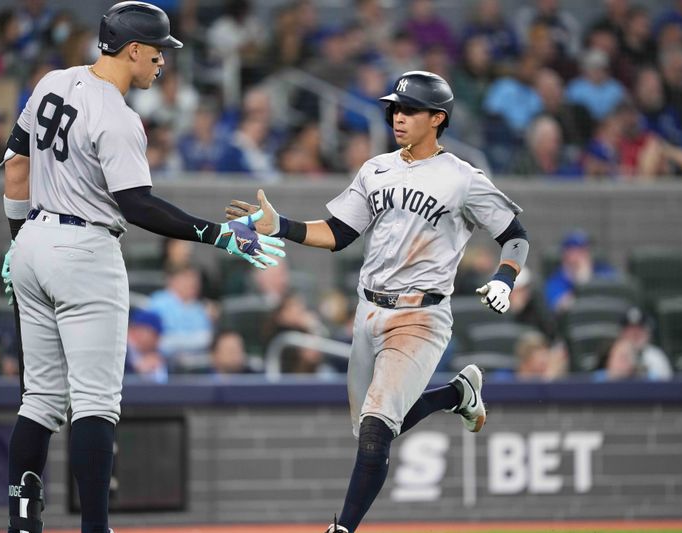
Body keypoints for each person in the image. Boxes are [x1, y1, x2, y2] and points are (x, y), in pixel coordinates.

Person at [0, 3, 285, 533]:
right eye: (158, 52)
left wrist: (19, 240)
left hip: (34, 239)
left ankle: (22, 523)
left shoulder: (52, 81)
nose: (162, 62)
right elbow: (137, 204)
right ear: (133, 49)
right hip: (85, 250)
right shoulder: (119, 117)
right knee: (95, 402)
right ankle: (95, 529)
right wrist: (218, 234)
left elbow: (16, 165)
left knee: (38, 398)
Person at [227, 70, 529, 533]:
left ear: (437, 118)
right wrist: (280, 225)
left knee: (375, 430)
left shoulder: (463, 179)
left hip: (421, 314)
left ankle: (342, 529)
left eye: (409, 110)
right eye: (395, 108)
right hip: (368, 311)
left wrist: (505, 280)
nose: (398, 116)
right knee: (372, 429)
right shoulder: (376, 169)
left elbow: (515, 237)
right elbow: (338, 233)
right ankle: (457, 394)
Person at [124, 309, 167, 383]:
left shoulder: (158, 354)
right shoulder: (121, 351)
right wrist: (135, 369)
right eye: (154, 334)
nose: (157, 339)